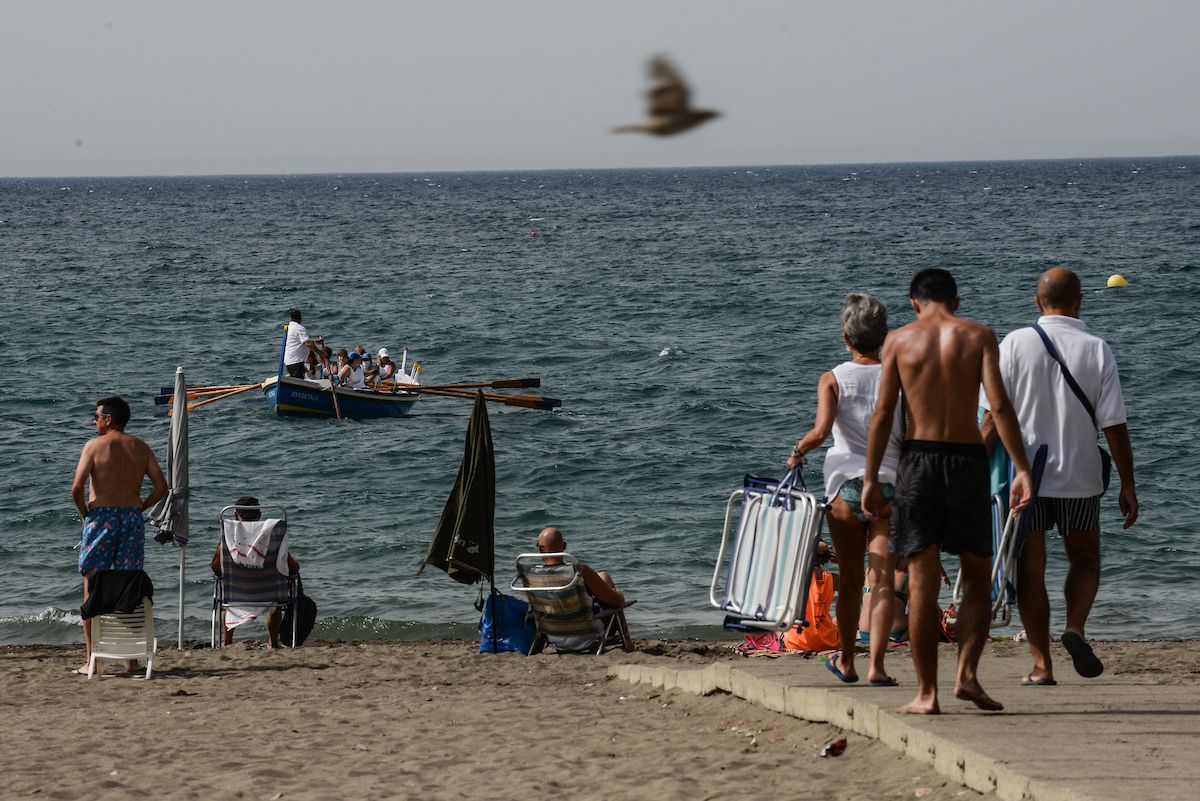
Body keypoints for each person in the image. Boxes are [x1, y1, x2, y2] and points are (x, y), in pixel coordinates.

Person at [863, 268, 1033, 715]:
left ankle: (927, 694)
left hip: (918, 462)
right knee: (977, 573)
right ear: (957, 302)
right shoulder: (979, 335)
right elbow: (998, 405)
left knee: (921, 580)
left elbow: (883, 414)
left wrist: (869, 478)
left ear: (914, 303)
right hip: (967, 460)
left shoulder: (897, 341)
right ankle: (968, 676)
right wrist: (1022, 468)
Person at [982, 267, 1138, 685]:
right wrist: (1128, 483)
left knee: (1031, 570)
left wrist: (972, 470)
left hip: (1025, 477)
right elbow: (1114, 425)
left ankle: (1041, 666)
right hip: (1081, 477)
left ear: (1037, 303)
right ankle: (1075, 628)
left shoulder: (1013, 344)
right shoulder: (1097, 349)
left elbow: (992, 416)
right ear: (1079, 302)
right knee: (1085, 557)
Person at [787, 292, 903, 685]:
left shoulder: (833, 379)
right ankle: (878, 666)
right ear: (884, 335)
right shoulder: (899, 377)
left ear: (846, 338)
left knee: (852, 582)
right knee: (883, 580)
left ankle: (849, 661)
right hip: (890, 487)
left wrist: (797, 450)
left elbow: (821, 432)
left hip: (845, 492)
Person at [71, 396, 168, 675]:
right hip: (130, 519)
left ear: (108, 419)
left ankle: (92, 660)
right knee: (129, 583)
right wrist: (140, 506)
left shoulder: (93, 446)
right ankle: (132, 661)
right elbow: (162, 487)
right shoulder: (141, 447)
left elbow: (76, 488)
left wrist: (85, 514)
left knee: (92, 581)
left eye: (97, 416)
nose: (94, 420)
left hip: (100, 519)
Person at [211, 496, 301, 649]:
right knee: (276, 602)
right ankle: (273, 642)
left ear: (235, 515)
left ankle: (227, 642)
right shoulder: (273, 536)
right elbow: (293, 567)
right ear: (259, 515)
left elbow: (216, 568)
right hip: (270, 594)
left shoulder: (228, 540)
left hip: (236, 595)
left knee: (228, 604)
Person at [782, 540, 841, 652]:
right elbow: (856, 582)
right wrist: (841, 561)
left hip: (797, 643)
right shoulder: (833, 579)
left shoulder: (791, 578)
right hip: (829, 642)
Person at [283, 310, 323, 379]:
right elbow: (307, 343)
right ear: (300, 318)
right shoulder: (299, 328)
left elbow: (299, 342)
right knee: (298, 382)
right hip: (296, 361)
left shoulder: (289, 327)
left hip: (288, 360)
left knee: (297, 379)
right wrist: (320, 352)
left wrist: (316, 341)